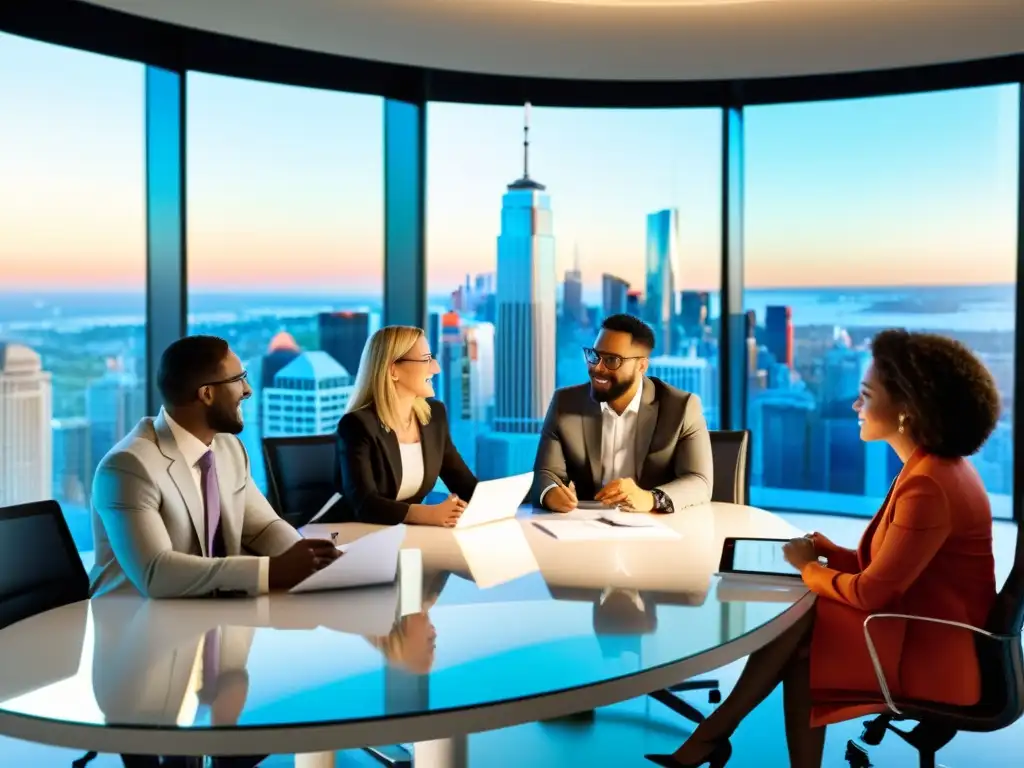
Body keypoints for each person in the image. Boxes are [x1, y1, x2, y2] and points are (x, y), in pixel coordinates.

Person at [646, 329, 1001, 768]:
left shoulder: (929, 484)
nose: (855, 406)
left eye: (866, 396)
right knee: (802, 636)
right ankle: (716, 738)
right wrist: (832, 553)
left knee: (804, 621)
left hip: (939, 657)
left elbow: (875, 593)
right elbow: (898, 567)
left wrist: (809, 569)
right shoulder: (931, 468)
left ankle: (710, 737)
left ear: (907, 411)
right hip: (928, 630)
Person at [89, 335, 340, 599]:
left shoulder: (228, 448)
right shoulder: (128, 467)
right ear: (207, 393)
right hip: (135, 623)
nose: (248, 389)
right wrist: (271, 571)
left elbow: (264, 528)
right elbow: (156, 573)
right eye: (238, 379)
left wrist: (315, 562)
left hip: (209, 613)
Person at [532, 314, 713, 514]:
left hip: (654, 528)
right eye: (595, 356)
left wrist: (651, 498)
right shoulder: (565, 403)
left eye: (611, 360)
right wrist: (550, 492)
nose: (596, 367)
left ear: (641, 366)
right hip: (585, 526)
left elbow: (699, 481)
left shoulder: (682, 407)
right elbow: (545, 473)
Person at [336, 325, 477, 526]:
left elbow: (464, 485)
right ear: (393, 370)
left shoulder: (433, 416)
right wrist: (429, 514)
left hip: (405, 533)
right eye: (426, 359)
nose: (436, 368)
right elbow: (364, 504)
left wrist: (508, 499)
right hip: (355, 534)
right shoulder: (357, 425)